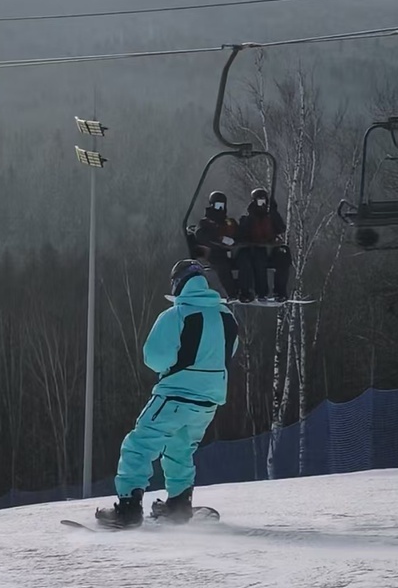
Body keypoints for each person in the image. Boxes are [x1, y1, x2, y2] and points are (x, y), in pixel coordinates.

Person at [95, 259, 239, 528]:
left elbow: (155, 358)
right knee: (181, 449)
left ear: (178, 284)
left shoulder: (177, 315)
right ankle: (178, 505)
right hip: (209, 400)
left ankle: (128, 507)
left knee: (139, 445)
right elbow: (228, 353)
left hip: (175, 395)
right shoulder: (226, 316)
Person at [234, 188, 291, 302]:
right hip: (255, 248)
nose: (262, 203)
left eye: (264, 200)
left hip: (271, 247)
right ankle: (261, 292)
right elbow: (242, 233)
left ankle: (280, 291)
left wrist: (274, 213)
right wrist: (251, 217)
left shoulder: (270, 215)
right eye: (259, 200)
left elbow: (281, 228)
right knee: (259, 261)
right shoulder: (248, 217)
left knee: (283, 257)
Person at [193, 191, 240, 298]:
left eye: (222, 206)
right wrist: (220, 240)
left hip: (231, 253)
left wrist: (234, 240)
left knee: (246, 262)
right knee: (223, 266)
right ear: (212, 205)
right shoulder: (206, 223)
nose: (220, 209)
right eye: (218, 206)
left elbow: (239, 234)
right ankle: (232, 293)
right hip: (215, 254)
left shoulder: (229, 222)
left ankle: (245, 290)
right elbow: (201, 235)